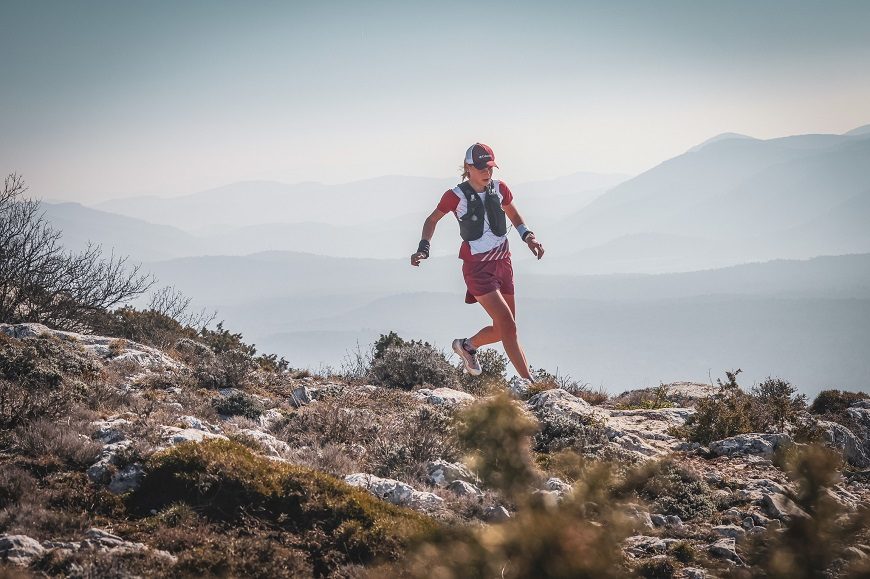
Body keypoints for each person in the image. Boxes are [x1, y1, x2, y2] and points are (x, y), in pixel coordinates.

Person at [410, 142, 544, 383]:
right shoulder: (455, 196)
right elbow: (432, 220)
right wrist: (424, 248)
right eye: (482, 167)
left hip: (504, 263)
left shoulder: (500, 188)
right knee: (508, 326)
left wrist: (529, 238)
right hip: (477, 269)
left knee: (506, 328)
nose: (487, 172)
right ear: (468, 167)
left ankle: (467, 346)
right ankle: (531, 383)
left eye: (490, 167)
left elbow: (513, 215)